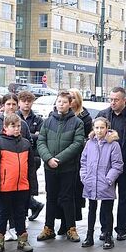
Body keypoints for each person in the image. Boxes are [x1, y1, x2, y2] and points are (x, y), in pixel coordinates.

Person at [96, 87, 126, 241]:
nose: (113, 102)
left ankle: (121, 229)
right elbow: (94, 137)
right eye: (111, 99)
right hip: (106, 165)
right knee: (106, 198)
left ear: (124, 100)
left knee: (124, 198)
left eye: (116, 100)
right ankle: (105, 229)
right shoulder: (103, 115)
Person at [36, 91, 86, 242]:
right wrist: (48, 158)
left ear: (70, 104)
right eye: (59, 101)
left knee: (67, 198)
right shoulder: (48, 121)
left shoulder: (77, 122)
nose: (61, 104)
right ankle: (48, 228)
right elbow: (41, 141)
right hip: (49, 167)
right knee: (50, 197)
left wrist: (58, 159)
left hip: (68, 168)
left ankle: (71, 228)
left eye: (64, 102)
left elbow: (77, 144)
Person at [0, 113, 38, 252]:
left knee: (21, 213)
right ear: (5, 127)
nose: (16, 129)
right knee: (2, 214)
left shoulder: (26, 144)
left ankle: (22, 239)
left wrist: (33, 187)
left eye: (18, 126)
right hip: (5, 187)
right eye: (13, 126)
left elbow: (31, 167)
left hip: (22, 186)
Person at [79, 117, 124, 249]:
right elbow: (83, 161)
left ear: (107, 128)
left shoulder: (113, 145)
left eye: (102, 128)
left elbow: (117, 165)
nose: (99, 130)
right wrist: (84, 177)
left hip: (105, 183)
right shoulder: (89, 143)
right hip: (91, 181)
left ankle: (108, 236)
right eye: (97, 128)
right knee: (91, 209)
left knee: (107, 210)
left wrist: (108, 179)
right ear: (93, 128)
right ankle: (89, 236)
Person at [17, 90, 45, 220]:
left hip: (33, 156)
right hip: (16, 156)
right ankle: (34, 205)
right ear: (19, 102)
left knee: (27, 184)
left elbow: (41, 137)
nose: (26, 104)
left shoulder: (38, 119)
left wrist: (25, 136)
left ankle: (31, 206)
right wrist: (33, 135)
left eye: (29, 101)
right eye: (24, 101)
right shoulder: (15, 117)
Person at [68, 89, 93, 226]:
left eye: (73, 98)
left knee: (76, 190)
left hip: (79, 157)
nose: (70, 100)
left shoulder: (85, 117)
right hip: (63, 157)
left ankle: (72, 221)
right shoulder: (60, 113)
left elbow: (87, 139)